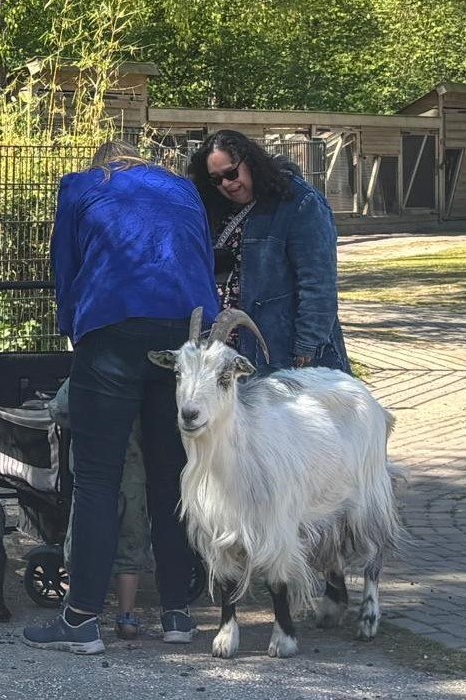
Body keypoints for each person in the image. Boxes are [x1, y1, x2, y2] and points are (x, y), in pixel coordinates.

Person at [24, 141, 218, 655]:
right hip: (183, 331)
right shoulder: (183, 190)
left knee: (97, 480)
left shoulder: (83, 186)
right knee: (172, 476)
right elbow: (202, 256)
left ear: (104, 163)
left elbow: (65, 268)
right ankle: (178, 614)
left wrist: (75, 329)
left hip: (112, 328)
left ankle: (81, 619)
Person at [188, 129, 351, 373]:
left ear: (249, 161)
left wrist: (306, 346)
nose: (227, 184)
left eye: (231, 173)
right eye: (216, 179)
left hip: (282, 352)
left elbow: (318, 284)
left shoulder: (300, 202)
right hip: (231, 354)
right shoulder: (217, 207)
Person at [49, 379, 149, 641]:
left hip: (92, 470)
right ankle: (126, 616)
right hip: (133, 469)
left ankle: (78, 608)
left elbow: (59, 409)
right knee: (131, 541)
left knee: (84, 535)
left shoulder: (87, 371)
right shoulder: (139, 376)